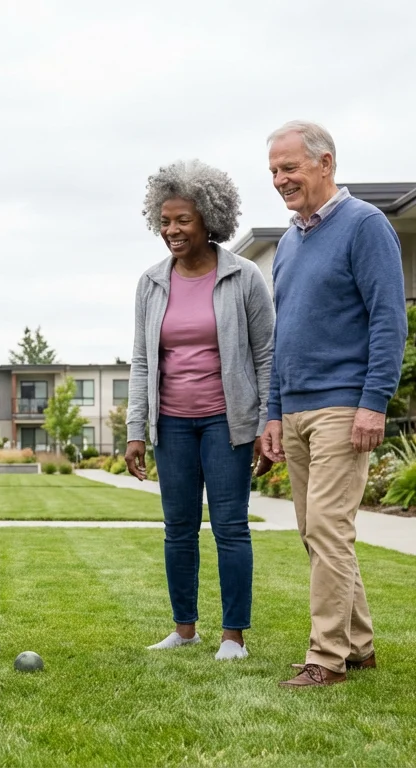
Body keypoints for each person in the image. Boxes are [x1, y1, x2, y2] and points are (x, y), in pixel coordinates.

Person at [260, 121, 406, 688]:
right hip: (295, 408)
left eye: (289, 167)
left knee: (327, 528)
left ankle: (327, 658)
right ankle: (361, 645)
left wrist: (374, 401)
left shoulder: (365, 225)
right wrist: (273, 412)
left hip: (343, 406)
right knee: (318, 533)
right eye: (273, 170)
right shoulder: (290, 241)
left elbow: (389, 320)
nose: (280, 179)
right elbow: (283, 337)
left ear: (325, 163)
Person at [125, 160, 275, 662]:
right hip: (172, 424)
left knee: (231, 526)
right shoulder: (150, 283)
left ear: (209, 218)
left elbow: (266, 355)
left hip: (226, 421)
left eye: (183, 220)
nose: (172, 230)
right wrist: (136, 430)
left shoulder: (243, 276)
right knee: (178, 528)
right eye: (165, 221)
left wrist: (264, 423)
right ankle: (184, 628)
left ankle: (234, 636)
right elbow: (143, 361)